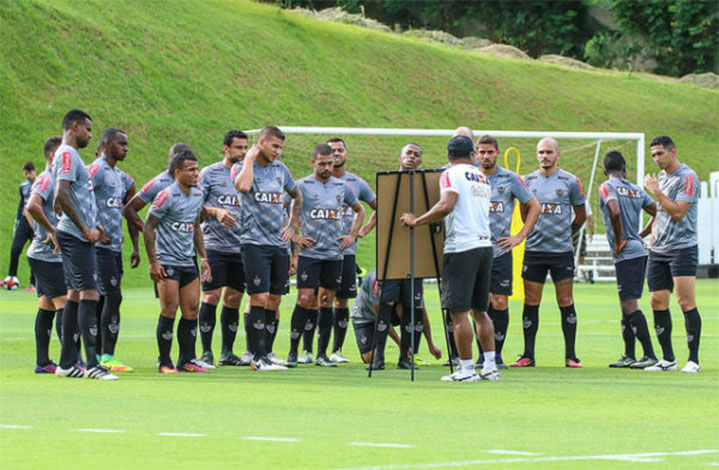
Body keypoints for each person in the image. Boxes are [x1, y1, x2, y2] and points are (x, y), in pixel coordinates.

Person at [401, 135, 498, 382]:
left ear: (448, 156)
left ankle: (466, 370)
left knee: (458, 314)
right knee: (481, 311)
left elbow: (447, 205)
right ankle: (489, 366)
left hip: (461, 248)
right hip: (485, 246)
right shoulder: (482, 178)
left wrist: (416, 221)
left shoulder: (450, 174)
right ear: (473, 155)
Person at [286, 143, 365, 367]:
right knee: (304, 299)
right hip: (310, 255)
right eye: (322, 164)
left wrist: (352, 235)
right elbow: (283, 209)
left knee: (327, 301)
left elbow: (360, 210)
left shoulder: (342, 187)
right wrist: (294, 236)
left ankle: (322, 355)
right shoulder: (301, 186)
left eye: (329, 164)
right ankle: (294, 352)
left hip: (334, 254)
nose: (326, 168)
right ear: (313, 163)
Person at [51, 109, 116, 380]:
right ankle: (91, 365)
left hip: (78, 235)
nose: (90, 135)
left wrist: (93, 226)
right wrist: (84, 229)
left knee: (75, 295)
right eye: (87, 130)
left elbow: (66, 199)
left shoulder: (72, 156)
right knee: (91, 294)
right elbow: (60, 195)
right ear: (74, 126)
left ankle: (66, 364)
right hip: (76, 237)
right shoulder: (67, 154)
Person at [511, 137, 585, 368]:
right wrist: (532, 229)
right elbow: (525, 213)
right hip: (534, 250)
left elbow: (580, 214)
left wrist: (567, 231)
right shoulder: (527, 180)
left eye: (549, 152)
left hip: (561, 251)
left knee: (565, 299)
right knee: (531, 300)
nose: (545, 156)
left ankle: (571, 355)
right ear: (536, 154)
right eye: (541, 152)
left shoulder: (570, 181)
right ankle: (527, 355)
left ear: (558, 154)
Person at [234, 126, 302, 371]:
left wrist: (293, 225)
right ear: (261, 142)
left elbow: (297, 195)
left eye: (281, 147)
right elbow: (242, 187)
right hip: (253, 243)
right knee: (259, 297)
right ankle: (256, 355)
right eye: (275, 146)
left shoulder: (281, 170)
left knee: (274, 300)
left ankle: (267, 353)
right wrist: (250, 159)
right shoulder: (242, 165)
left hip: (279, 245)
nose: (278, 152)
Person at [143, 150, 212, 373]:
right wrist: (154, 262)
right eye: (191, 170)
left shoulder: (198, 195)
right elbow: (148, 226)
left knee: (191, 310)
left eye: (197, 169)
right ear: (178, 172)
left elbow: (196, 227)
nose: (196, 173)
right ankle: (164, 361)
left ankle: (187, 360)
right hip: (167, 260)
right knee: (169, 309)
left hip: (188, 260)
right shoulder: (166, 195)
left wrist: (204, 258)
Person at [476, 134, 540, 369]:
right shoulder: (469, 176)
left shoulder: (510, 179)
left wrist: (519, 236)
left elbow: (535, 206)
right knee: (480, 304)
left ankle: (497, 355)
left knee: (500, 302)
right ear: (476, 153)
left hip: (500, 250)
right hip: (474, 250)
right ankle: (483, 355)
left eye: (490, 151)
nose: (485, 156)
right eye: (481, 152)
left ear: (497, 153)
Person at [643, 136, 702, 373]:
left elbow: (678, 212)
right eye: (653, 155)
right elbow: (662, 213)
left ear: (672, 152)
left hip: (682, 248)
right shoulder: (663, 178)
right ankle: (667, 359)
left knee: (685, 301)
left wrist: (656, 192)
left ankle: (694, 361)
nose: (656, 159)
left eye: (660, 154)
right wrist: (649, 231)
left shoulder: (688, 177)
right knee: (657, 301)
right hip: (658, 250)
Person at [598, 151, 659, 369]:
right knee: (625, 303)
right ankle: (629, 355)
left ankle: (650, 355)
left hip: (627, 252)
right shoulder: (636, 190)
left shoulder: (607, 187)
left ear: (605, 172)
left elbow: (614, 212)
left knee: (629, 303)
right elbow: (657, 212)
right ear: (624, 169)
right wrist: (640, 234)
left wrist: (618, 241)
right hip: (638, 250)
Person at [88, 128, 139, 373]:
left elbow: (129, 209)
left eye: (127, 144)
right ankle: (106, 355)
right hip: (99, 247)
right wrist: (95, 229)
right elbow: (80, 196)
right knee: (112, 296)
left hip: (114, 248)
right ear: (107, 144)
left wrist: (136, 246)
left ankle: (97, 353)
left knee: (103, 298)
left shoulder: (120, 177)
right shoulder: (96, 169)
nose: (126, 148)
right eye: (121, 144)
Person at [197, 130, 248, 367]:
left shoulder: (249, 174)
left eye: (245, 147)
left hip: (242, 247)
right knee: (212, 295)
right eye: (238, 148)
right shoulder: (209, 174)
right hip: (214, 245)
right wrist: (215, 211)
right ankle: (206, 351)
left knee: (235, 298)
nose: (243, 152)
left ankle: (227, 352)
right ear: (225, 149)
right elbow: (195, 207)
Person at [326, 137, 377, 364]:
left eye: (340, 150)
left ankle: (336, 350)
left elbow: (380, 206)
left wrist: (362, 230)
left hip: (346, 252)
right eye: (332, 150)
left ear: (346, 153)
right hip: (320, 251)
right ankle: (314, 351)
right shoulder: (314, 182)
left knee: (341, 301)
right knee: (319, 299)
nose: (336, 153)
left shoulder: (356, 183)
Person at [25, 136, 64, 373]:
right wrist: (50, 231)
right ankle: (72, 360)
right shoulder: (47, 179)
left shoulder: (57, 180)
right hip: (48, 255)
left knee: (47, 306)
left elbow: (31, 211)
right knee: (66, 306)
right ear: (53, 156)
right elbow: (31, 206)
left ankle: (43, 362)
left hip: (45, 252)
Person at [123, 142, 192, 234]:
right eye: (173, 159)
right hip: (164, 245)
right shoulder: (158, 183)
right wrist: (148, 231)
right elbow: (129, 210)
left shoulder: (192, 182)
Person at [350, 269, 402, 365]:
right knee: (370, 358)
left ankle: (411, 352)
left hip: (389, 311)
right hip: (365, 317)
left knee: (410, 310)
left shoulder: (406, 278)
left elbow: (420, 312)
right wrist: (400, 343)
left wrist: (430, 344)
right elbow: (380, 318)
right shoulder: (376, 280)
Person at [2, 162, 37, 290]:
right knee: (15, 249)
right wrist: (16, 223)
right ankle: (12, 277)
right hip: (23, 222)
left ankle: (33, 283)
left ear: (34, 171)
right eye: (25, 174)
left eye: (29, 173)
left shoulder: (42, 184)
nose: (27, 176)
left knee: (34, 253)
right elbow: (21, 205)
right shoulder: (23, 186)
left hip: (37, 222)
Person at [573, 200, 595, 283]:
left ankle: (584, 274)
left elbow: (590, 217)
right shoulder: (567, 199)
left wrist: (591, 232)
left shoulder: (584, 202)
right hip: (568, 229)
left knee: (581, 255)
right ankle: (573, 274)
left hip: (580, 231)